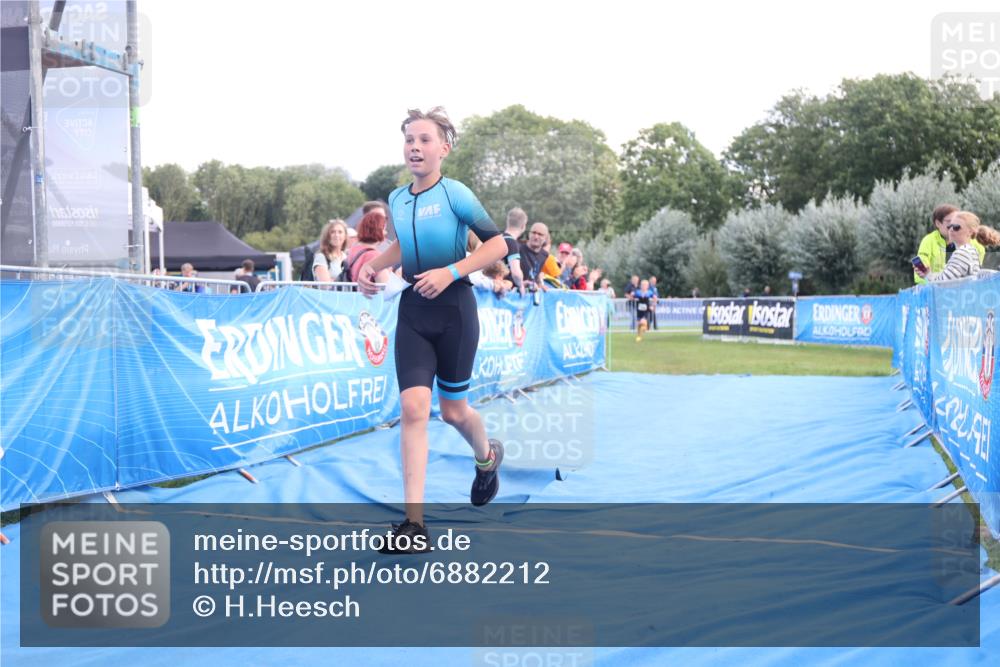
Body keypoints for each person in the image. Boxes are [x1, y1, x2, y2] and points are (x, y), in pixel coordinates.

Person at [357, 107, 508, 552]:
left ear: (444, 148)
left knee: (455, 412)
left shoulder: (456, 193)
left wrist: (451, 271)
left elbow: (499, 244)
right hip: (413, 313)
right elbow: (403, 244)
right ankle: (414, 524)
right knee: (413, 409)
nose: (415, 147)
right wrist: (373, 266)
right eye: (409, 140)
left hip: (455, 310)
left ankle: (487, 458)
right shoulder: (397, 198)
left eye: (424, 140)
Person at [915, 211, 1000, 282]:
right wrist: (928, 273)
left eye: (956, 227)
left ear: (970, 232)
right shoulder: (970, 250)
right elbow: (949, 277)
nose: (951, 230)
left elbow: (943, 283)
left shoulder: (962, 253)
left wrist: (927, 275)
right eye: (949, 226)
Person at [914, 204, 958, 285]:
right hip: (934, 288)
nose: (953, 225)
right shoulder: (929, 241)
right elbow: (921, 268)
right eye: (949, 221)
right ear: (938, 223)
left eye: (956, 222)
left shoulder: (962, 240)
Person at [347, 210, 393, 283]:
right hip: (368, 290)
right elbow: (385, 284)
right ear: (378, 230)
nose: (386, 232)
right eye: (384, 229)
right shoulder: (375, 255)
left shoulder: (353, 249)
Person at [501, 207, 527, 294]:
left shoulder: (498, 238)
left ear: (507, 222)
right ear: (523, 226)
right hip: (504, 292)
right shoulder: (512, 243)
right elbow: (516, 273)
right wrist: (521, 285)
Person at [519, 222, 551, 291]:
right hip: (517, 290)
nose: (536, 237)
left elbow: (536, 273)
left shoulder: (544, 255)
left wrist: (540, 285)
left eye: (540, 234)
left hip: (531, 291)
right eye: (533, 233)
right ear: (529, 234)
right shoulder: (518, 249)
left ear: (545, 238)